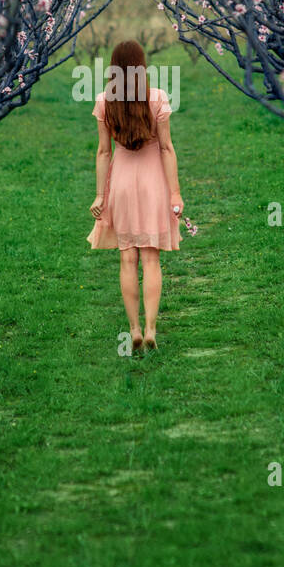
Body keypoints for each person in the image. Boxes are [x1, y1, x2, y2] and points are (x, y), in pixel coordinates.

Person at [87, 39, 183, 352]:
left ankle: (134, 329)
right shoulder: (156, 98)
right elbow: (167, 148)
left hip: (123, 183)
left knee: (128, 258)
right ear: (142, 66)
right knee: (151, 258)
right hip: (153, 181)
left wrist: (100, 195)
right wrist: (175, 194)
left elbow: (103, 152)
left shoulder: (105, 101)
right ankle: (152, 327)